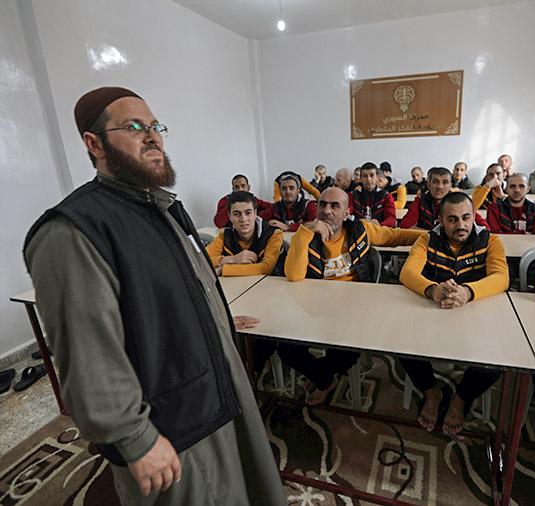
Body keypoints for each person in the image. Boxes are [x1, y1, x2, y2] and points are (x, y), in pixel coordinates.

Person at [23, 87, 285, 505]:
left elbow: (169, 292)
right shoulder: (73, 231)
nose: (152, 136)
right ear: (94, 144)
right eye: (133, 127)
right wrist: (136, 439)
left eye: (155, 126)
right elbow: (89, 357)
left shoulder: (160, 208)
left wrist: (213, 320)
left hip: (213, 388)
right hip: (172, 424)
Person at [281, 187, 423, 404]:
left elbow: (396, 236)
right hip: (316, 305)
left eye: (334, 206)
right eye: (322, 204)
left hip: (357, 306)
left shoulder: (360, 229)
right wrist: (304, 232)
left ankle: (322, 378)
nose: (327, 211)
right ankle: (326, 378)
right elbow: (293, 275)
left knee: (349, 345)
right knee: (285, 347)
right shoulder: (307, 235)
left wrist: (429, 237)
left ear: (347, 211)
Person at [399, 192, 509, 438]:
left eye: (466, 218)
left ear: (474, 217)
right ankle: (431, 391)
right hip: (435, 313)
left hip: (476, 316)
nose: (461, 225)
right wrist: (432, 289)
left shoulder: (490, 241)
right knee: (401, 343)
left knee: (500, 356)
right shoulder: (427, 240)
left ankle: (461, 398)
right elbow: (407, 273)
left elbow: (501, 278)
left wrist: (469, 292)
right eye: (452, 219)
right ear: (441, 219)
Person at [207, 191, 285, 276]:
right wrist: (232, 259)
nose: (243, 219)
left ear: (255, 213)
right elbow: (202, 260)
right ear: (230, 216)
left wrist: (224, 270)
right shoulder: (224, 236)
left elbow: (266, 268)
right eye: (237, 214)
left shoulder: (274, 234)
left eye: (248, 213)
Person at [401, 167, 489, 230]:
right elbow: (405, 226)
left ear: (450, 185)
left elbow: (484, 227)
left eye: (445, 182)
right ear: (428, 184)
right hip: (425, 245)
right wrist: (434, 235)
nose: (440, 187)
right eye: (435, 182)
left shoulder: (459, 202)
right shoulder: (420, 201)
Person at [349, 162, 397, 227]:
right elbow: (347, 215)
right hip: (357, 232)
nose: (368, 179)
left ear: (377, 177)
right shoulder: (352, 195)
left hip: (380, 232)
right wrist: (359, 224)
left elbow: (391, 219)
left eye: (372, 175)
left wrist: (379, 225)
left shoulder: (386, 196)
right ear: (360, 179)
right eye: (365, 176)